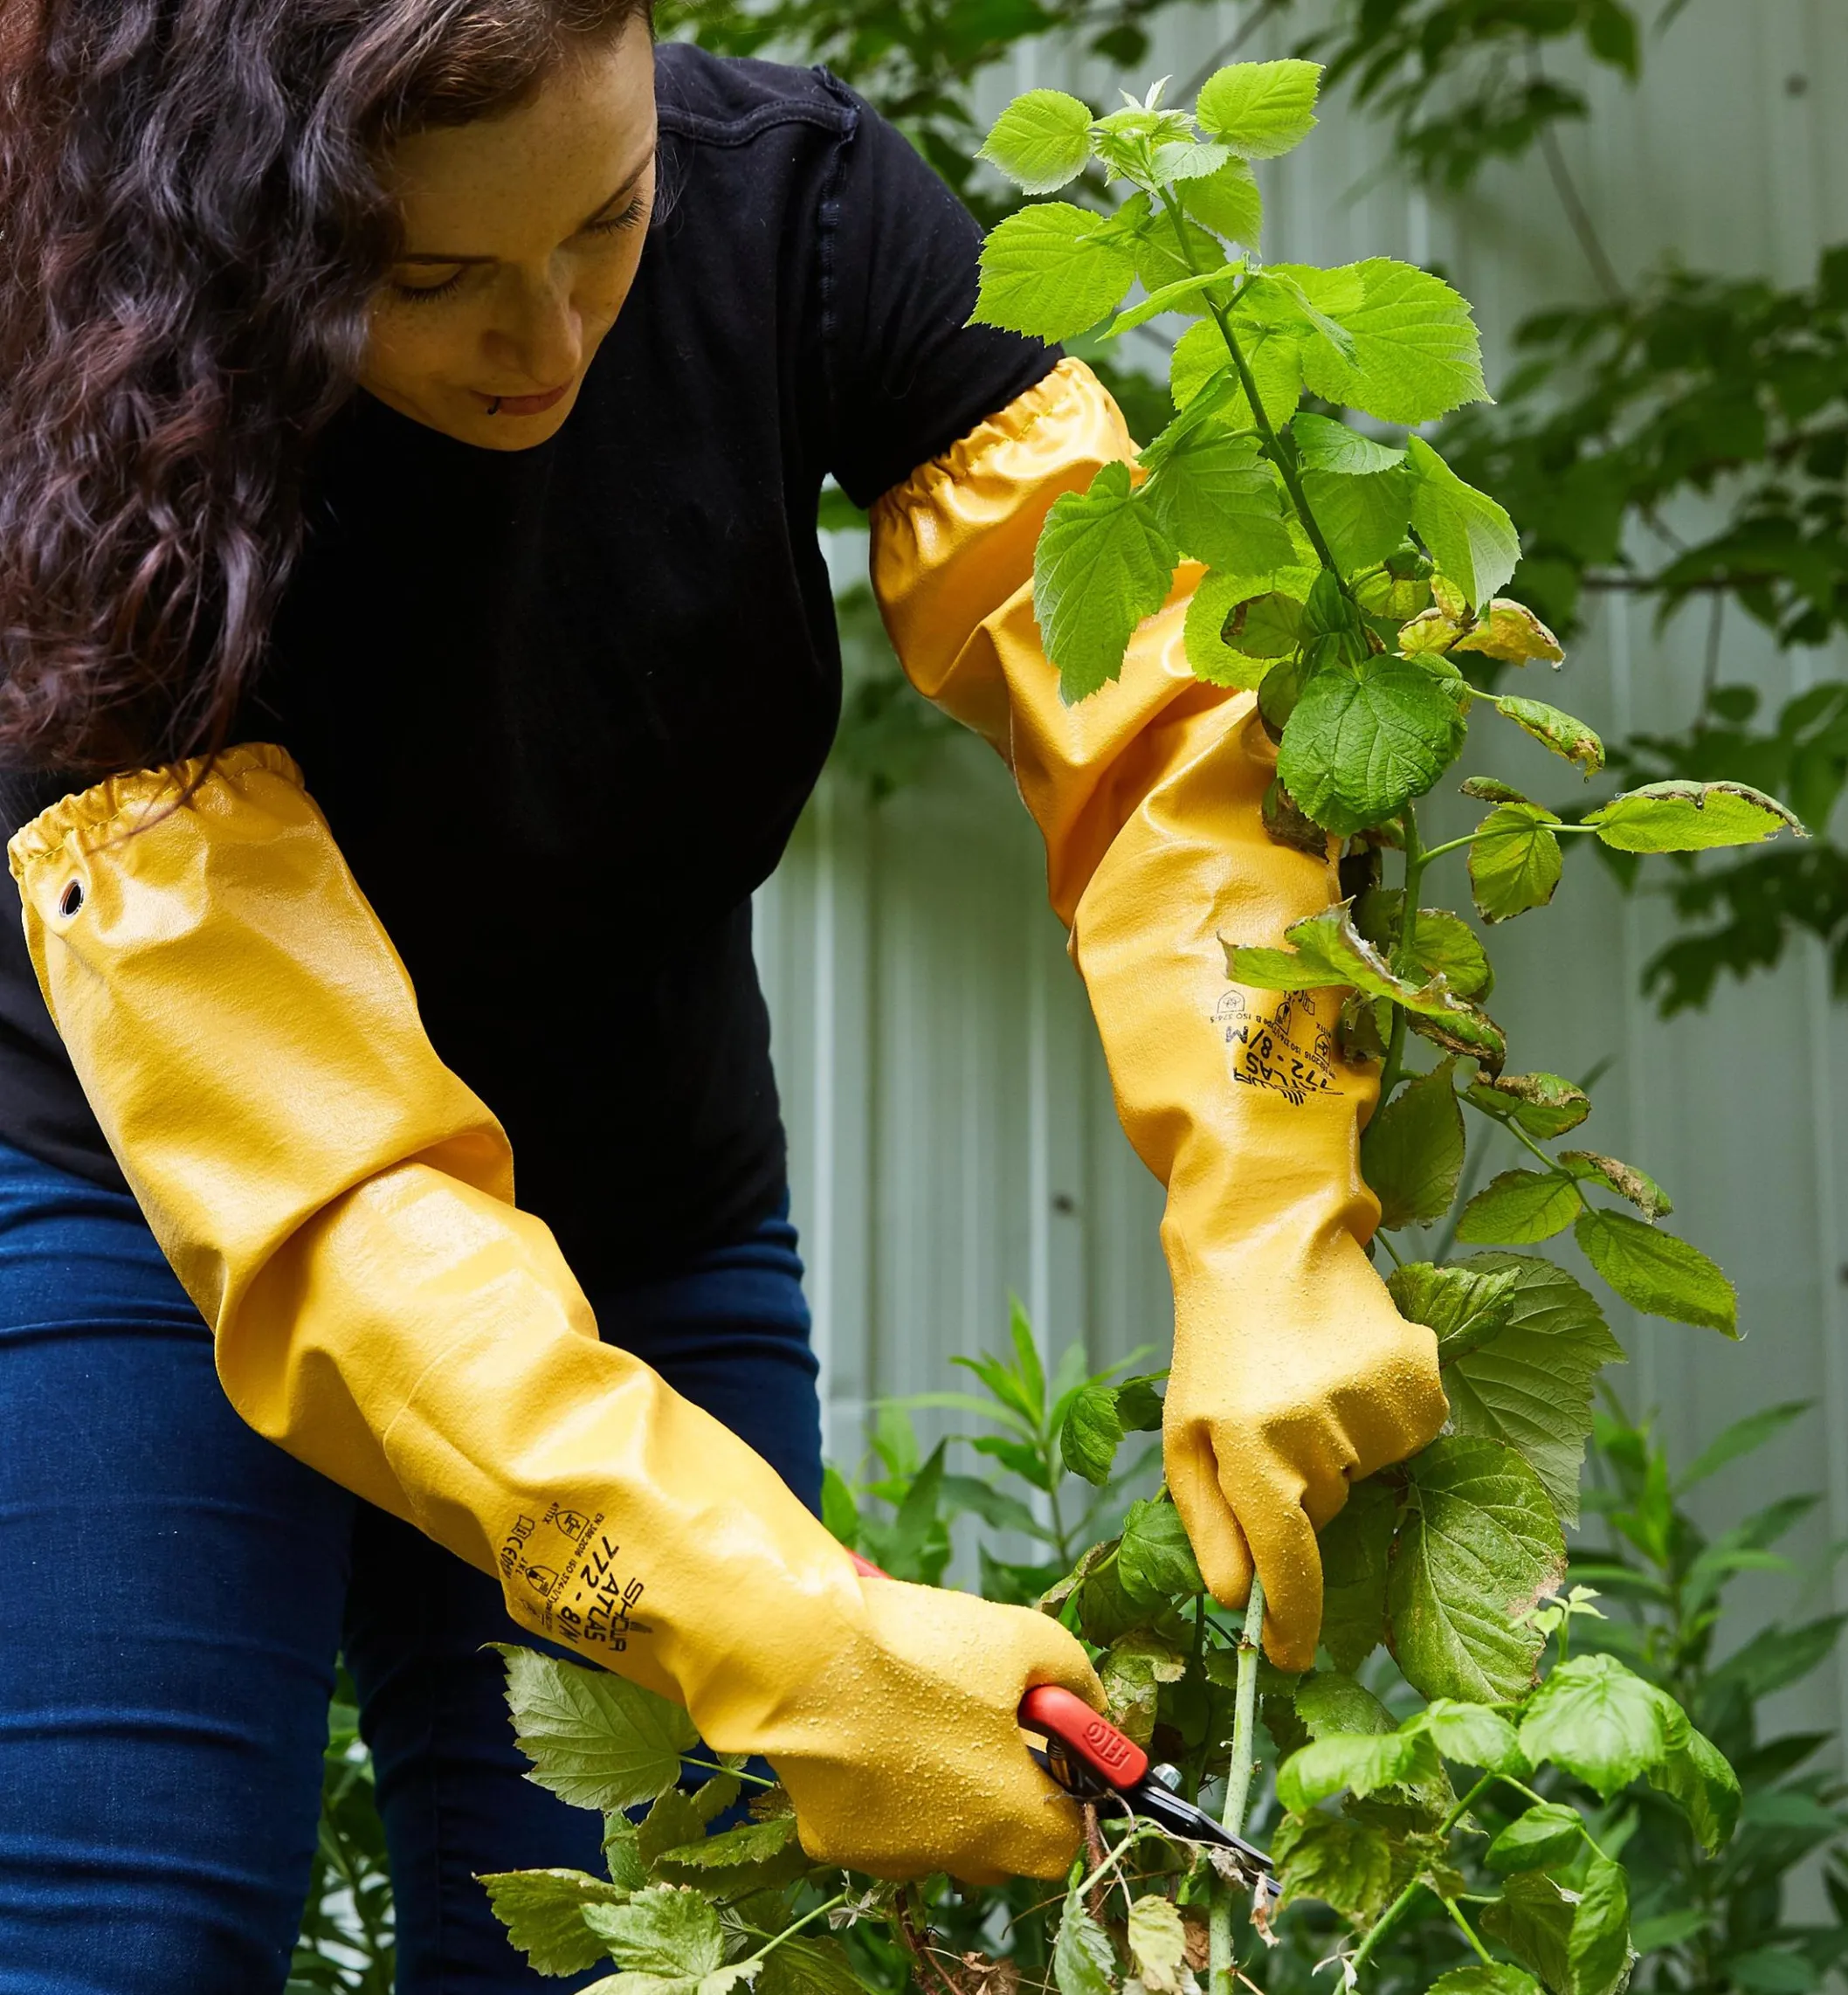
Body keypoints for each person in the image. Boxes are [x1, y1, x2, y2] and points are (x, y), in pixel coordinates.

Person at [0, 2, 1449, 1988]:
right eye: (435, 279)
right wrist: (800, 1638)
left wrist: (1275, 1212)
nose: (556, 341)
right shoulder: (82, 399)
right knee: (129, 1942)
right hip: (147, 1212)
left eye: (608, 221)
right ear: (241, 231)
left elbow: (1152, 723)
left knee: (622, 1958)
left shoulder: (804, 209)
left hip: (640, 1198)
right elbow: (324, 1193)